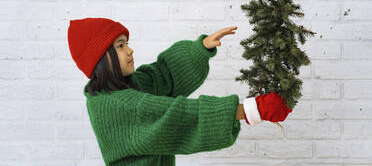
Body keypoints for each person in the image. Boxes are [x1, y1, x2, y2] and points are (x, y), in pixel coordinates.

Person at [67, 17, 292, 166]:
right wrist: (250, 110)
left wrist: (200, 48)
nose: (130, 50)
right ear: (101, 60)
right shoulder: (120, 105)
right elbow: (177, 114)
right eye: (120, 46)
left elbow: (162, 75)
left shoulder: (119, 90)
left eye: (126, 43)